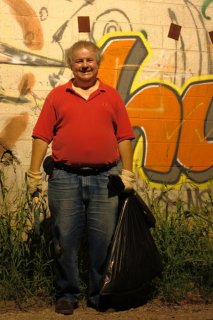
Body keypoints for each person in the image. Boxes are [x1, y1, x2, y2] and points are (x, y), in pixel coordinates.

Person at [26, 40, 135, 315]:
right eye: (79, 61)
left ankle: (100, 294)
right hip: (64, 178)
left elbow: (124, 136)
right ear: (70, 65)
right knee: (66, 239)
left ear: (97, 63)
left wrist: (129, 172)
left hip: (105, 179)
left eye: (90, 60)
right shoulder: (57, 95)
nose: (84, 65)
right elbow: (41, 135)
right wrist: (34, 172)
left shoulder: (111, 95)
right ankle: (67, 293)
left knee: (102, 241)